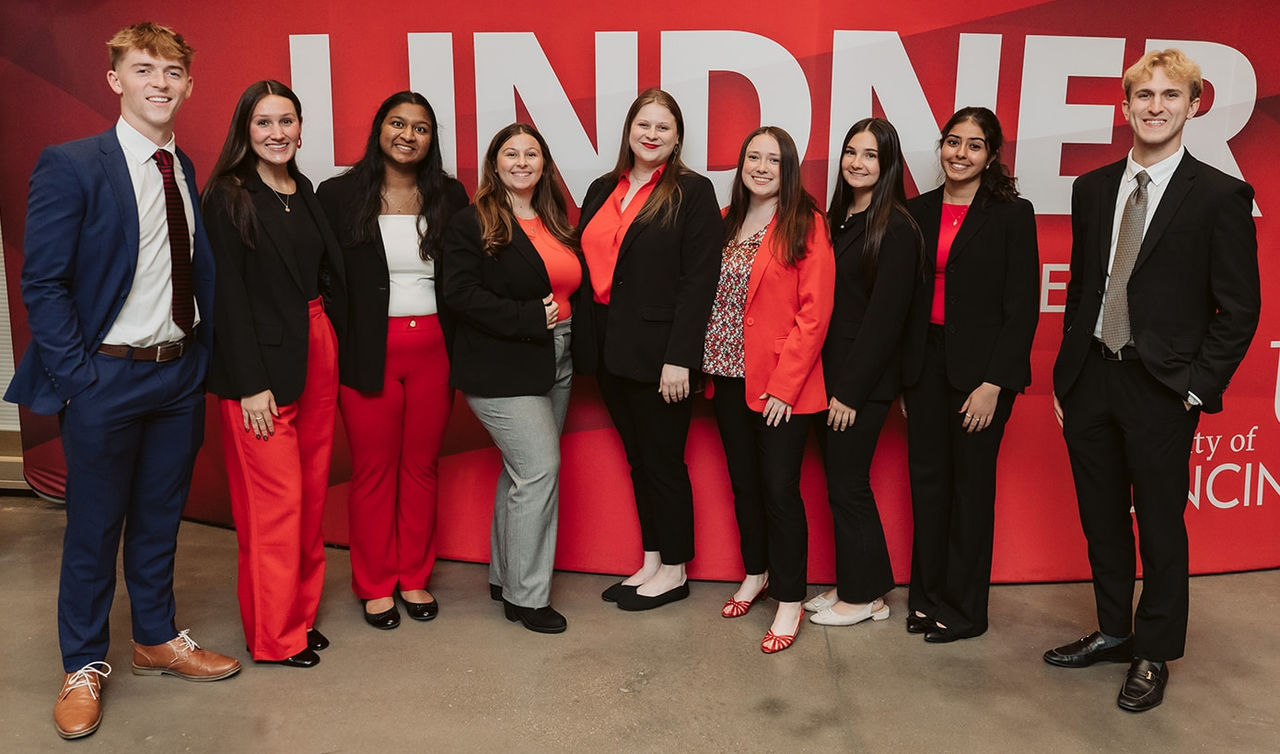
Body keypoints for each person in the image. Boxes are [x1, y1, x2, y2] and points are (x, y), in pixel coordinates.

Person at [4, 22, 240, 739]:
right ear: (117, 80)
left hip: (175, 378)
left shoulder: (185, 167)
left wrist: (197, 358)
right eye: (145, 69)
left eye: (172, 72)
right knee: (94, 528)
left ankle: (157, 638)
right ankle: (82, 663)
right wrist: (80, 377)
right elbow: (42, 280)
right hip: (104, 378)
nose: (160, 84)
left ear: (189, 85)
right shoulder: (73, 164)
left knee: (160, 520)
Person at [1044, 50, 1260, 712]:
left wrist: (1197, 385)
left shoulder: (1221, 195)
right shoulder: (1091, 187)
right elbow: (1084, 287)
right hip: (1090, 380)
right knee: (1101, 519)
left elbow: (1240, 308)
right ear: (1125, 105)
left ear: (1194, 105)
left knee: (1160, 527)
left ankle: (1153, 652)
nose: (1156, 105)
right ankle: (1114, 630)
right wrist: (1065, 373)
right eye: (1144, 95)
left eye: (1171, 94)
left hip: (1161, 386)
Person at [203, 80, 347, 668]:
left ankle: (300, 616)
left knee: (310, 497)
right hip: (259, 367)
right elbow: (226, 298)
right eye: (264, 122)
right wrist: (248, 383)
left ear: (301, 127)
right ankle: (274, 635)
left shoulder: (303, 188)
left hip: (315, 350)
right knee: (274, 507)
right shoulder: (228, 196)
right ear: (245, 129)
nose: (277, 133)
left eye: (286, 120)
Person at [317, 92, 468, 630]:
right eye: (398, 123)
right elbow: (324, 277)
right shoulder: (337, 194)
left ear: (432, 138)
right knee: (375, 471)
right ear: (379, 129)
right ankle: (376, 583)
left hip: (435, 350)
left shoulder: (449, 194)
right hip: (368, 351)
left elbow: (467, 273)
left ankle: (413, 575)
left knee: (422, 468)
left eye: (421, 127)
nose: (408, 134)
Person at [440, 123, 591, 634]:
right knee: (540, 467)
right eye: (511, 153)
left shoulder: (554, 221)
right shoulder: (472, 222)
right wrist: (529, 317)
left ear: (544, 164)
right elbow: (458, 294)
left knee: (520, 473)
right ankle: (528, 598)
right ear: (494, 163)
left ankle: (506, 579)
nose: (522, 162)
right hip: (501, 363)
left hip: (558, 357)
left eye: (532, 153)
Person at [578, 89, 722, 611]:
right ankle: (654, 559)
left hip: (664, 357)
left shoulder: (692, 191)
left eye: (664, 126)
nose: (652, 134)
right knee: (639, 462)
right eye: (644, 123)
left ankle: (678, 570)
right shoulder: (601, 188)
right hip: (610, 351)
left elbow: (699, 280)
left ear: (678, 136)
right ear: (629, 129)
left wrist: (681, 357)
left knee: (664, 463)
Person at [903, 106, 1039, 644]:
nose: (960, 153)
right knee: (928, 487)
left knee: (970, 490)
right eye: (952, 142)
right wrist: (907, 376)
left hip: (980, 374)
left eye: (974, 145)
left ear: (991, 155)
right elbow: (906, 302)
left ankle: (964, 611)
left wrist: (993, 384)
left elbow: (1022, 305)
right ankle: (926, 599)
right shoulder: (916, 211)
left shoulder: (1011, 214)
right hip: (925, 365)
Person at [703, 127, 834, 653]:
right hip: (728, 375)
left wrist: (785, 386)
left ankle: (789, 598)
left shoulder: (807, 223)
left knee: (779, 490)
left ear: (789, 169)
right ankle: (755, 573)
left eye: (772, 160)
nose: (760, 166)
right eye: (752, 156)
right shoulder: (727, 219)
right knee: (744, 484)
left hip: (783, 385)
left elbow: (815, 311)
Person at [804, 118, 924, 628]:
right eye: (851, 152)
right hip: (827, 377)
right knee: (843, 483)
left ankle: (860, 597)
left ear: (888, 163)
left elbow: (884, 322)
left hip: (859, 385)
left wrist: (850, 393)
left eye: (871, 155)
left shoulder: (896, 227)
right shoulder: (838, 220)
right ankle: (866, 588)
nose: (858, 162)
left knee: (847, 485)